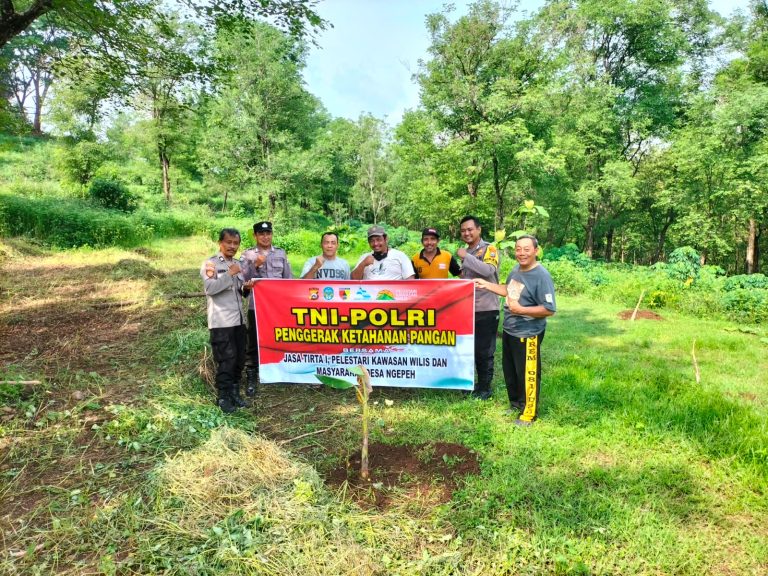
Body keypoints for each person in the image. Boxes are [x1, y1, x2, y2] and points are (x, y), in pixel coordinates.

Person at [475, 235, 556, 426]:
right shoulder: (516, 270)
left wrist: (522, 310)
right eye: (518, 249)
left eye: (526, 249)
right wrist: (486, 284)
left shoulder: (541, 276)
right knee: (511, 371)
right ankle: (516, 404)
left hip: (528, 333)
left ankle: (529, 414)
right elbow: (509, 290)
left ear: (536, 251)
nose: (521, 253)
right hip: (510, 331)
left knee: (528, 373)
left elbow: (549, 309)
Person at [241, 220, 293, 396]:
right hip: (257, 307)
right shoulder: (248, 255)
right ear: (255, 236)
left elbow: (288, 280)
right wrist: (255, 265)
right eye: (261, 234)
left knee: (279, 337)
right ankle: (251, 376)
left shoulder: (280, 253)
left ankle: (279, 372)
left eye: (268, 233)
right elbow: (242, 280)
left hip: (279, 307)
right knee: (253, 341)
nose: (265, 236)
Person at [200, 228, 248, 413]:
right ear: (220, 242)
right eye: (228, 242)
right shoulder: (210, 264)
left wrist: (247, 288)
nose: (232, 246)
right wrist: (230, 274)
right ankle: (223, 397)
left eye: (236, 243)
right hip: (221, 321)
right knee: (227, 360)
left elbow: (239, 292)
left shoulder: (237, 263)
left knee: (239, 359)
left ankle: (235, 393)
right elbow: (210, 288)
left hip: (238, 320)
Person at [457, 216, 500, 400]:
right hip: (467, 309)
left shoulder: (489, 249)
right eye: (463, 230)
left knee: (484, 350)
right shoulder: (467, 251)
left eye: (470, 229)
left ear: (479, 229)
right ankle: (470, 384)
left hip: (486, 308)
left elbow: (488, 271)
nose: (466, 233)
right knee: (469, 349)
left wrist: (466, 257)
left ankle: (485, 388)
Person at [351, 225, 416, 280]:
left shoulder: (400, 256)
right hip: (368, 294)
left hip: (393, 294)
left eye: (378, 239)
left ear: (386, 239)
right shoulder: (364, 258)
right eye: (372, 241)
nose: (375, 243)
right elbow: (353, 280)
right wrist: (363, 264)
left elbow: (410, 280)